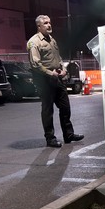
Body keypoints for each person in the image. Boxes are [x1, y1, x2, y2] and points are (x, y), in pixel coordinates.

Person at [27, 15, 84, 148]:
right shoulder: (34, 42)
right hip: (43, 79)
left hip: (57, 78)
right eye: (45, 23)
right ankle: (50, 138)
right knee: (48, 110)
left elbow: (58, 58)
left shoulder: (52, 40)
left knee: (65, 107)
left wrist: (63, 69)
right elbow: (35, 64)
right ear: (39, 26)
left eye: (49, 22)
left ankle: (68, 134)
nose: (49, 25)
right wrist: (49, 72)